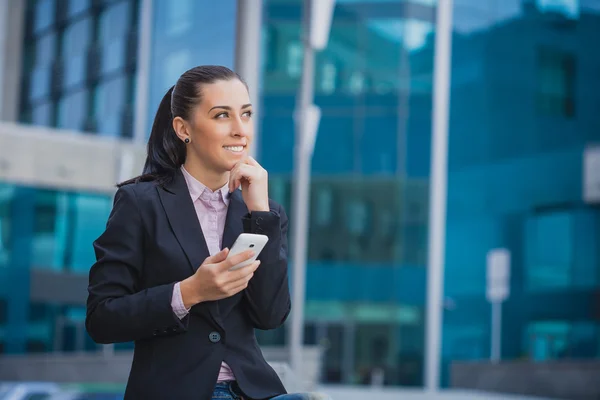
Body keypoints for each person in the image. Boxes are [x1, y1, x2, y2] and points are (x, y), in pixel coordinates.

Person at [85, 65, 330, 400]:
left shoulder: (263, 211)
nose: (240, 130)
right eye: (221, 116)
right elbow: (102, 318)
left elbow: (270, 316)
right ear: (184, 128)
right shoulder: (141, 203)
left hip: (252, 390)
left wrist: (259, 212)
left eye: (246, 114)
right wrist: (188, 292)